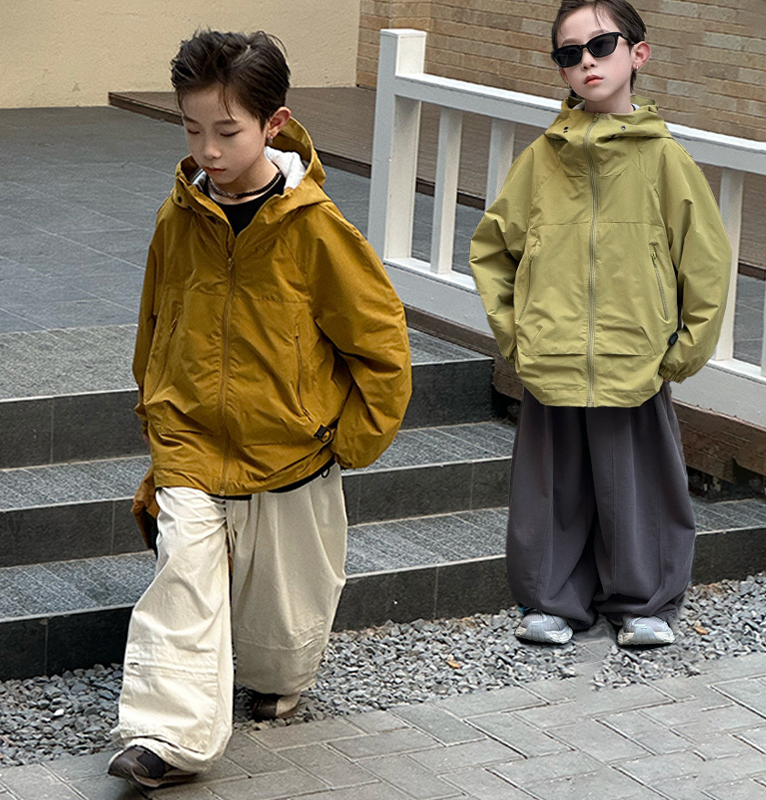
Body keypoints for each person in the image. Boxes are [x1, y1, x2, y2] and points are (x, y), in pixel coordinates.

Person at [108, 29, 412, 790]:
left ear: (275, 123)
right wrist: (157, 407)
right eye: (191, 129)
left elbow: (380, 345)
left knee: (281, 626)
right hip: (190, 442)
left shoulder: (318, 230)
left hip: (290, 451)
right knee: (182, 575)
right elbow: (155, 321)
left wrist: (345, 439)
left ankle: (278, 676)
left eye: (227, 131)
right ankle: (166, 735)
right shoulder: (179, 216)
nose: (207, 150)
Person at [470, 0, 731, 649]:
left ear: (637, 53)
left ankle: (644, 601)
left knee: (638, 488)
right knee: (550, 488)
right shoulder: (541, 160)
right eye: (569, 53)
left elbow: (704, 260)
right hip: (552, 355)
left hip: (633, 358)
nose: (586, 61)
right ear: (560, 67)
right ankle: (551, 600)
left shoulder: (664, 160)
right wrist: (516, 337)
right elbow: (493, 249)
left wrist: (682, 351)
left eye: (601, 45)